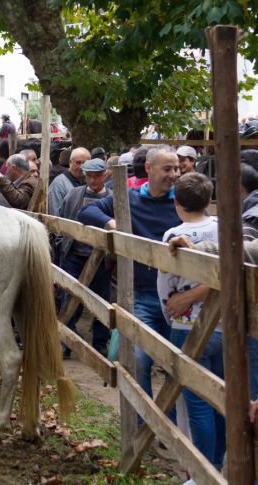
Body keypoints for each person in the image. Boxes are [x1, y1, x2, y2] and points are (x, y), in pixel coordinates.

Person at [79, 145, 181, 401]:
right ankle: (142, 427)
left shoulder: (183, 200)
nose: (174, 174)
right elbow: (87, 211)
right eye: (168, 168)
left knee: (179, 368)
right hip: (142, 294)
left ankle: (171, 427)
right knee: (137, 361)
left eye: (177, 168)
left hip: (179, 297)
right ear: (149, 169)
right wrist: (114, 224)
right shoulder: (129, 198)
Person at [157, 172, 223, 468]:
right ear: (209, 200)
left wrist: (169, 312)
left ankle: (202, 468)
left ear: (176, 202)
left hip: (187, 326)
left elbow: (165, 285)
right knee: (222, 398)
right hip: (225, 325)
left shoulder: (173, 236)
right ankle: (221, 463)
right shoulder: (225, 230)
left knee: (197, 404)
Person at [57, 159, 113, 357]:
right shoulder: (74, 194)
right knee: (70, 297)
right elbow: (62, 217)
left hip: (101, 261)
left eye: (97, 175)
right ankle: (67, 340)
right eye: (89, 175)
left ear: (105, 175)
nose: (92, 179)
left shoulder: (112, 198)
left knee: (101, 300)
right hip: (74, 255)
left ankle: (100, 343)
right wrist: (62, 242)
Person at [48, 147, 89, 215]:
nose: (81, 166)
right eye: (78, 162)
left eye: (85, 163)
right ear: (70, 163)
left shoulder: (89, 182)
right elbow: (55, 215)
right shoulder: (59, 184)